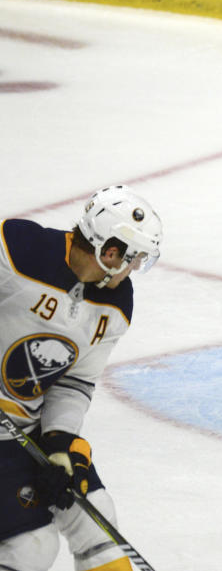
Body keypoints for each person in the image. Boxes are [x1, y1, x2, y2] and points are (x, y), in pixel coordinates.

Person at [0, 186, 162, 571]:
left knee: (99, 528)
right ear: (110, 252)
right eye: (133, 257)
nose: (135, 267)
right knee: (32, 551)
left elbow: (75, 383)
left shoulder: (115, 304)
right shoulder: (17, 249)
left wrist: (58, 443)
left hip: (25, 429)